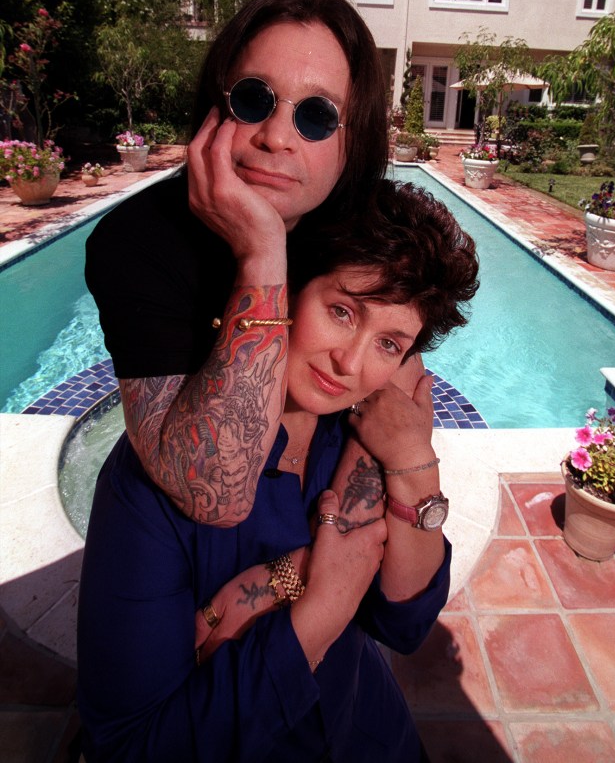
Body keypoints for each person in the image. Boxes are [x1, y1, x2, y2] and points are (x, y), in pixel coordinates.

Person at [77, 180, 479, 763]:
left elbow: (406, 620)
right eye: (342, 311)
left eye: (389, 344)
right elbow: (131, 746)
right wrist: (318, 610)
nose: (351, 363)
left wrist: (412, 456)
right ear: (286, 291)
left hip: (369, 732)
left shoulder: (353, 441)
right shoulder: (163, 479)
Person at [85, 0, 389, 527]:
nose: (276, 137)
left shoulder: (368, 231)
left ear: (354, 143)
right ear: (215, 107)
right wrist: (262, 253)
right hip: (167, 525)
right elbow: (215, 496)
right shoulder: (137, 241)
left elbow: (401, 387)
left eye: (316, 116)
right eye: (254, 98)